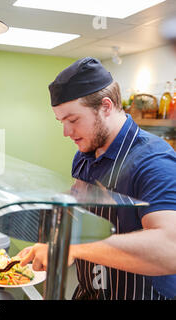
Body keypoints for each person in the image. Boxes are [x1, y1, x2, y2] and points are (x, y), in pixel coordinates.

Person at [17, 57, 176, 300]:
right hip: (90, 292)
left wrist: (70, 246)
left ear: (106, 106)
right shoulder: (85, 154)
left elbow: (169, 248)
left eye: (73, 120)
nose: (66, 132)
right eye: (61, 122)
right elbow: (78, 211)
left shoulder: (153, 160)